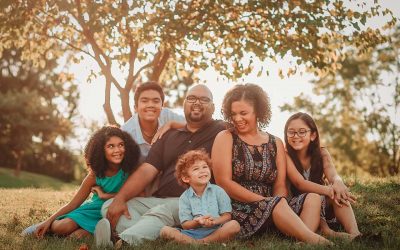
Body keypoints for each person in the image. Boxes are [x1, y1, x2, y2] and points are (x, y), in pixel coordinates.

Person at [94, 84, 226, 247]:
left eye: (204, 99)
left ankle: (122, 241)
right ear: (184, 104)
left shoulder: (221, 131)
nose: (197, 102)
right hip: (160, 199)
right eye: (191, 98)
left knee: (160, 213)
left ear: (213, 107)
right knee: (111, 206)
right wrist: (120, 199)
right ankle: (149, 231)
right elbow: (147, 170)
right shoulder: (169, 135)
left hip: (194, 200)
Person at [211, 83, 331, 244]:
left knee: (314, 198)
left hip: (275, 204)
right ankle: (314, 239)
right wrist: (265, 202)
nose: (237, 118)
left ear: (258, 112)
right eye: (233, 113)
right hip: (238, 206)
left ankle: (301, 241)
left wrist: (275, 204)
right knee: (277, 203)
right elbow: (224, 183)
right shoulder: (225, 137)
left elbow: (280, 184)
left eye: (243, 113)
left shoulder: (276, 142)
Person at [21, 126, 140, 239]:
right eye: (110, 146)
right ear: (101, 151)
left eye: (121, 145)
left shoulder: (129, 170)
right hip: (91, 210)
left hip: (112, 213)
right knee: (62, 227)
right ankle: (46, 228)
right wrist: (47, 221)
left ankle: (85, 231)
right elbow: (73, 204)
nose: (117, 150)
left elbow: (138, 195)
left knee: (76, 237)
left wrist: (105, 195)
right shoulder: (95, 174)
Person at [284, 112, 361, 239]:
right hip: (297, 204)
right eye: (291, 132)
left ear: (313, 135)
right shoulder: (286, 155)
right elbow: (300, 183)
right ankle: (326, 231)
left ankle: (355, 233)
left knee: (338, 193)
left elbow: (332, 172)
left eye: (302, 132)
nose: (296, 136)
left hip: (318, 199)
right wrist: (329, 190)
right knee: (322, 195)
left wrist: (338, 183)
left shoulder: (321, 152)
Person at [160, 149, 240, 244]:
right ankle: (197, 241)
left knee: (234, 225)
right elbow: (185, 225)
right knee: (165, 231)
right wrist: (198, 222)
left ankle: (198, 243)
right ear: (186, 178)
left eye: (205, 167)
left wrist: (214, 221)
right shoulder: (184, 198)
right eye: (196, 169)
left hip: (216, 230)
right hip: (193, 233)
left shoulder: (218, 191)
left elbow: (227, 216)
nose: (202, 171)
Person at [121, 81, 185, 161]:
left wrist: (171, 124)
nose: (150, 105)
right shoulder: (126, 133)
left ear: (162, 106)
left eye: (156, 101)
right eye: (144, 101)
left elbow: (195, 124)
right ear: (136, 107)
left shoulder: (167, 115)